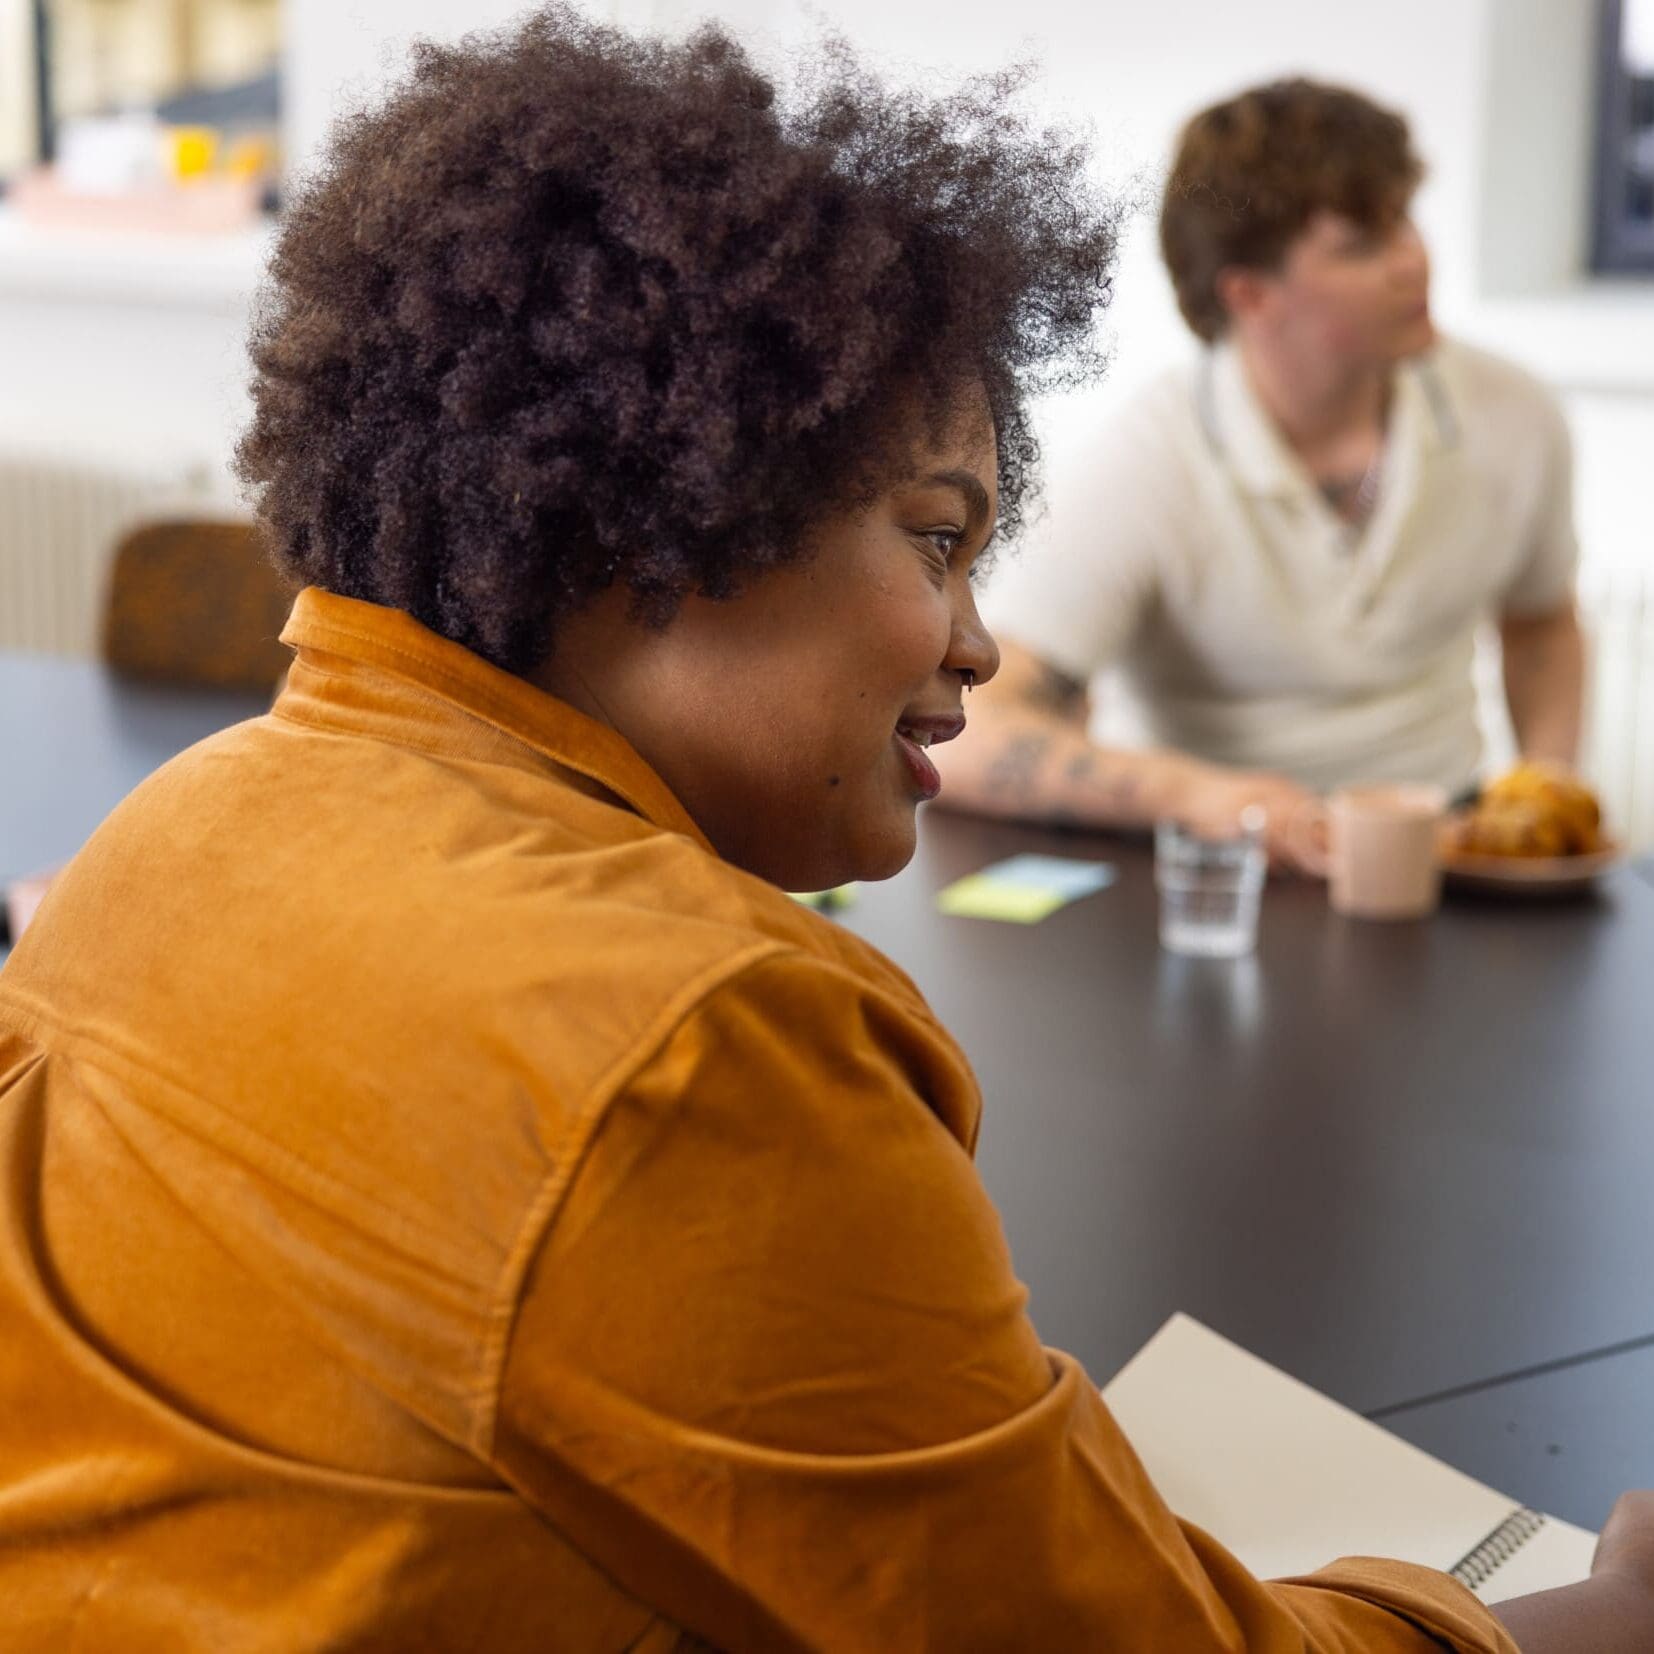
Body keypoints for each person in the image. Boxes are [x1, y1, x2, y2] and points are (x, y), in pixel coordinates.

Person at [0, 14, 1646, 1648]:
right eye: (933, 538)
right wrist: (1576, 1615)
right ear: (660, 507)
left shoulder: (172, 826)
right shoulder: (691, 1047)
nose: (976, 642)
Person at [936, 78, 1586, 870]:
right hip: (1219, 865)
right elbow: (976, 734)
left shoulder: (1514, 412)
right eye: (1363, 244)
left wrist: (1546, 795)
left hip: (1441, 846)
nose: (1414, 258)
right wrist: (1209, 799)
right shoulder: (1147, 458)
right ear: (1248, 293)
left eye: (1405, 220)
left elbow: (1542, 624)